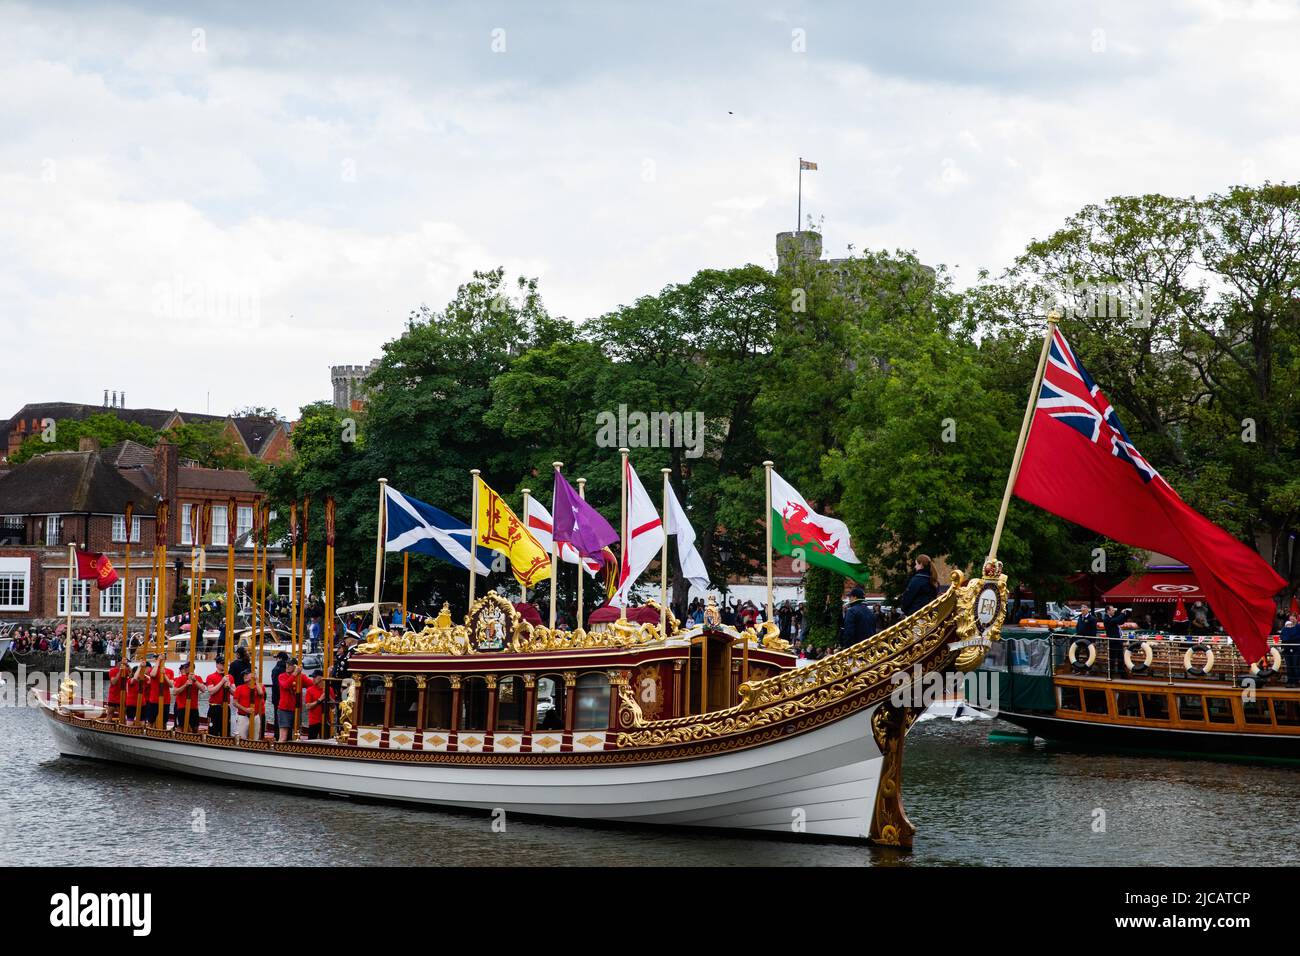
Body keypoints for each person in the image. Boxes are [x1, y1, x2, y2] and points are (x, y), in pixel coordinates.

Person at [276, 658, 308, 742]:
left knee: (297, 734)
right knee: (283, 736)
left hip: (296, 708)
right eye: (287, 664)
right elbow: (285, 685)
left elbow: (311, 684)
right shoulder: (282, 676)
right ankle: (279, 751)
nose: (287, 666)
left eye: (290, 665)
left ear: (295, 666)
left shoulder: (300, 677)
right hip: (284, 709)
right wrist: (294, 674)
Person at [232, 670, 266, 740]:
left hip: (255, 716)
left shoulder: (259, 687)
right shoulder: (239, 688)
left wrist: (256, 681)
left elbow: (261, 693)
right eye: (244, 675)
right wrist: (245, 709)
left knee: (255, 739)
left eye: (247, 674)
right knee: (241, 738)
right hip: (243, 717)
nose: (245, 676)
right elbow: (234, 703)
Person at [142, 654, 174, 728]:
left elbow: (171, 685)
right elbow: (152, 675)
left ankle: (163, 734)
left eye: (158, 658)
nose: (156, 660)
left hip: (165, 700)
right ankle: (149, 734)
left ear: (165, 660)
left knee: (164, 721)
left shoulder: (170, 671)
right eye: (156, 659)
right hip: (154, 700)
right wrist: (158, 661)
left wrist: (164, 674)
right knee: (151, 720)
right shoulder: (153, 669)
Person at [205, 655, 234, 735]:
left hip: (225, 707)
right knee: (213, 731)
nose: (224, 665)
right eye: (222, 664)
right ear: (217, 665)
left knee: (226, 730)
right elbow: (211, 691)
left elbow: (234, 693)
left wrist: (229, 688)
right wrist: (222, 682)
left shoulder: (230, 677)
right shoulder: (210, 677)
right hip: (215, 707)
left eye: (225, 664)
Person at [1100, 604, 1132, 677]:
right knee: (1112, 659)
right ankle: (1110, 674)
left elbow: (1120, 621)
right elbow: (1116, 620)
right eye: (1112, 610)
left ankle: (1122, 674)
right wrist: (1121, 613)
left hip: (1117, 640)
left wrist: (1125, 615)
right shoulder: (1106, 618)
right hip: (1113, 641)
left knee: (1120, 658)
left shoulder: (1111, 617)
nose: (1114, 611)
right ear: (1108, 611)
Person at [303, 670, 335, 740]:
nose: (313, 679)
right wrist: (319, 700)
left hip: (326, 720)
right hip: (313, 721)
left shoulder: (329, 689)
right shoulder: (309, 690)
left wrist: (328, 696)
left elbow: (333, 706)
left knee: (326, 742)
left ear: (321, 678)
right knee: (311, 742)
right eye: (313, 677)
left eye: (315, 677)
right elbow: (307, 706)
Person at [172, 661, 202, 732]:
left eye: (186, 667)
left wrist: (195, 681)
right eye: (185, 667)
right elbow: (174, 692)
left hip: (194, 707)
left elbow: (203, 689)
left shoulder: (198, 678)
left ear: (192, 668)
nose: (185, 668)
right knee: (180, 727)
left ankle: (195, 741)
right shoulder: (181, 678)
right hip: (182, 707)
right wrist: (185, 685)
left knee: (195, 728)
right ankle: (178, 740)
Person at [1280, 613, 1300, 687]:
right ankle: (1290, 681)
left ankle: (1295, 681)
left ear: (1296, 618)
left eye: (1293, 617)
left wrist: (1288, 638)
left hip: (1296, 649)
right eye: (1290, 617)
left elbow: (1298, 636)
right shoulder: (1285, 627)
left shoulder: (1298, 626)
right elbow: (1282, 636)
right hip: (1287, 649)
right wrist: (1288, 638)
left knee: (1295, 665)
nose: (1291, 619)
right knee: (1289, 666)